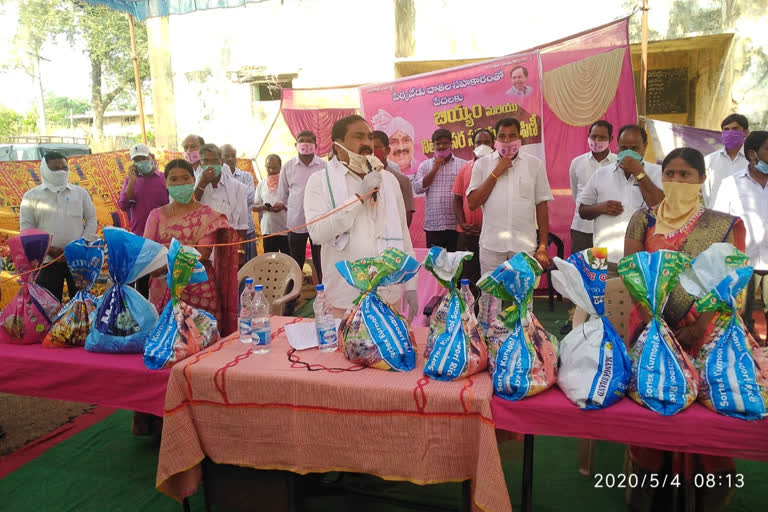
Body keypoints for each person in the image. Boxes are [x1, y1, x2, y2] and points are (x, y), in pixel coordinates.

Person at [624, 147, 745, 512]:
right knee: (652, 417)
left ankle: (706, 499)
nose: (676, 181)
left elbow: (731, 279)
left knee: (707, 426)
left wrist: (701, 327)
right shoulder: (642, 220)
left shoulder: (724, 224)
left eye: (685, 175)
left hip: (706, 336)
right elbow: (632, 275)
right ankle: (650, 497)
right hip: (652, 332)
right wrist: (654, 325)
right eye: (670, 174)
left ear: (702, 180)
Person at [304, 115, 419, 320]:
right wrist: (358, 199)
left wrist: (411, 285)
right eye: (358, 137)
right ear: (338, 145)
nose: (367, 143)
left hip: (388, 292)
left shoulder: (388, 180)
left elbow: (403, 233)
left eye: (369, 136)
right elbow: (317, 233)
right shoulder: (319, 181)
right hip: (345, 297)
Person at [144, 159, 239, 332]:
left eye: (185, 178)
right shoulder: (156, 216)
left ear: (193, 180)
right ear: (166, 183)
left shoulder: (207, 215)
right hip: (162, 290)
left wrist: (166, 266)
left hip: (198, 292)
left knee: (203, 346)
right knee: (166, 347)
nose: (180, 183)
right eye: (173, 179)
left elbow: (201, 254)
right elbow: (147, 253)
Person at [467, 117, 553, 276]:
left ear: (520, 138)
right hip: (491, 246)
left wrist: (542, 247)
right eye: (502, 136)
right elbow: (472, 203)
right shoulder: (482, 164)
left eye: (512, 136)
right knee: (490, 300)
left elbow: (542, 207)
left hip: (524, 247)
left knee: (523, 299)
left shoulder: (535, 165)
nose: (507, 140)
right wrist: (496, 173)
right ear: (495, 140)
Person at [577, 124, 664, 275]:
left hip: (643, 260)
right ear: (617, 146)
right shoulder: (601, 174)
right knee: (605, 298)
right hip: (605, 259)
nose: (628, 153)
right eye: (624, 148)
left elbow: (660, 207)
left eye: (634, 148)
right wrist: (600, 208)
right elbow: (583, 211)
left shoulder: (658, 173)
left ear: (645, 147)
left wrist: (639, 173)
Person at [19, 151, 97, 302]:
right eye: (55, 168)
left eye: (64, 167)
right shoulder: (31, 197)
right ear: (45, 170)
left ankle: (80, 327)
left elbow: (91, 219)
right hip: (48, 260)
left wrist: (79, 245)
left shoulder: (80, 193)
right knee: (49, 306)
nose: (60, 171)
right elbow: (27, 231)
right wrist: (50, 250)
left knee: (81, 305)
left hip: (78, 259)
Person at [562, 120, 617, 333]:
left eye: (602, 137)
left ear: (611, 140)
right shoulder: (577, 163)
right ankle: (573, 319)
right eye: (593, 137)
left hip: (608, 229)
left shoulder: (617, 163)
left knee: (605, 274)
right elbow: (577, 194)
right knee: (579, 274)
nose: (597, 141)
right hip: (582, 226)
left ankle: (603, 318)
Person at [713, 131, 768, 340]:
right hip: (742, 262)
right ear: (753, 154)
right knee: (740, 317)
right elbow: (720, 224)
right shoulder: (731, 184)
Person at [117, 143, 169, 297]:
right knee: (142, 283)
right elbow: (123, 204)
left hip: (163, 237)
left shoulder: (164, 178)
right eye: (137, 160)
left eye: (143, 158)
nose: (141, 162)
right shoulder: (130, 181)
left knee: (164, 280)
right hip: (141, 238)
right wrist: (132, 181)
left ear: (151, 158)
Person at [278, 130, 325, 287]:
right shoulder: (288, 167)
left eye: (309, 141)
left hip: (319, 222)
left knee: (321, 263)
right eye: (302, 140)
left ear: (315, 145)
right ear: (296, 145)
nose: (305, 144)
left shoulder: (324, 166)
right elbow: (283, 195)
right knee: (295, 264)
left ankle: (325, 300)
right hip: (296, 223)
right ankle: (291, 302)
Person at [413, 129, 468, 251]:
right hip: (434, 225)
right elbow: (417, 189)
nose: (441, 146)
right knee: (435, 265)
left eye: (445, 143)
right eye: (438, 143)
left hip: (455, 224)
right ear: (433, 145)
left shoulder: (463, 165)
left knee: (456, 263)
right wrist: (434, 169)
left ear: (451, 144)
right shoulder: (425, 165)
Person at [453, 129, 494, 291]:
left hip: (491, 235)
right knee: (467, 279)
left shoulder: (500, 169)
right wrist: (462, 223)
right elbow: (457, 199)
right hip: (467, 235)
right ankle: (468, 314)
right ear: (473, 146)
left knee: (489, 279)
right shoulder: (465, 169)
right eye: (479, 142)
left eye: (487, 142)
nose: (483, 146)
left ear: (494, 145)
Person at [193, 144, 250, 258]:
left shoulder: (238, 188)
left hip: (228, 246)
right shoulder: (196, 184)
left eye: (214, 160)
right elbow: (192, 209)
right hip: (202, 248)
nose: (211, 165)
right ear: (201, 163)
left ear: (221, 162)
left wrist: (240, 252)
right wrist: (202, 184)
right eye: (206, 161)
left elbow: (242, 224)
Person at [703, 114, 749, 207]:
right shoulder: (708, 161)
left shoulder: (754, 161)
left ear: (745, 132)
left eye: (735, 129)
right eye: (726, 129)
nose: (730, 132)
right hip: (718, 217)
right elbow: (706, 194)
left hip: (745, 217)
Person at [221, 144, 257, 263]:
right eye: (226, 156)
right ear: (220, 158)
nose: (230, 159)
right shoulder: (218, 178)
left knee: (249, 265)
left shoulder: (246, 176)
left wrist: (228, 202)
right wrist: (238, 198)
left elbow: (250, 198)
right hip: (225, 230)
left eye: (233, 156)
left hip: (247, 228)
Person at [372, 130, 415, 226]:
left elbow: (407, 213)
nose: (372, 152)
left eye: (375, 148)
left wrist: (401, 238)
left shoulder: (402, 181)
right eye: (369, 148)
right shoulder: (361, 178)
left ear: (387, 150)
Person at [254, 154, 289, 255]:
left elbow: (295, 203)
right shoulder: (262, 184)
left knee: (287, 260)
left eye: (274, 167)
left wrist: (283, 206)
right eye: (268, 167)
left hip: (285, 229)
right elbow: (254, 206)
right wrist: (264, 207)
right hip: (268, 229)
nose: (271, 170)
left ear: (280, 167)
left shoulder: (286, 183)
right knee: (270, 261)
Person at [371, 109, 417, 174]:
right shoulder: (377, 173)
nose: (401, 148)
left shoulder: (422, 167)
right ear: (386, 149)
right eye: (393, 142)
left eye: (406, 140)